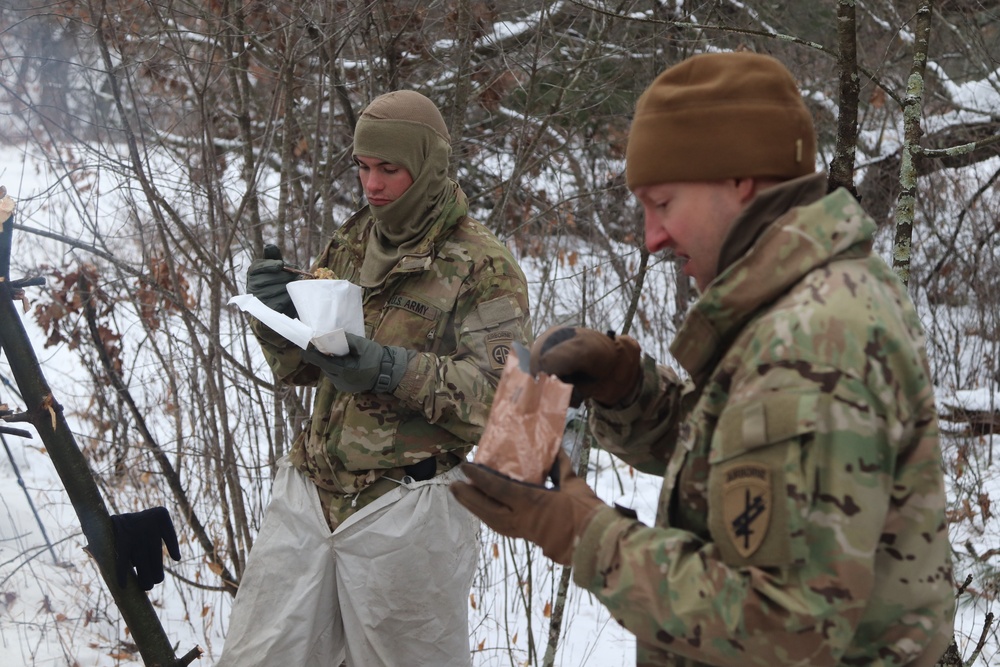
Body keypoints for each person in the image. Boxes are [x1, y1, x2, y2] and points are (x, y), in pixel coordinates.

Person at [451, 52, 956, 667]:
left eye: (661, 203)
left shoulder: (813, 337)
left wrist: (583, 532)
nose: (651, 237)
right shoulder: (816, 298)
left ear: (739, 180)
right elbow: (750, 465)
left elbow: (784, 626)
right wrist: (628, 389)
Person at [220, 90, 532, 667]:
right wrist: (277, 321)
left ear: (429, 165)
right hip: (312, 491)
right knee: (254, 656)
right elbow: (309, 367)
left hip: (405, 510)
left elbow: (508, 409)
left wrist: (389, 369)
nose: (373, 184)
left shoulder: (482, 266)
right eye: (363, 167)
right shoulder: (355, 239)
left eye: (390, 168)